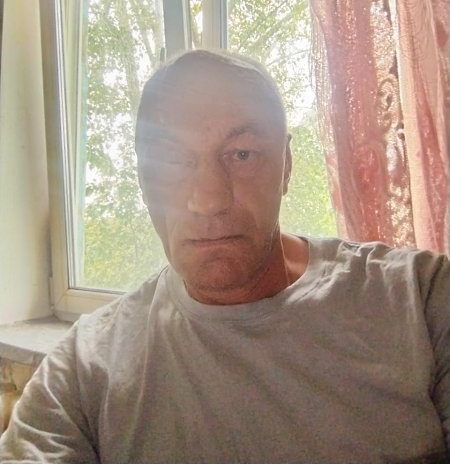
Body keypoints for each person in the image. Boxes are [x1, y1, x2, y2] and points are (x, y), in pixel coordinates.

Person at [0, 49, 449, 464]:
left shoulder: (422, 300)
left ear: (287, 166)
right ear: (142, 179)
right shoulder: (82, 369)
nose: (209, 200)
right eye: (171, 160)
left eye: (242, 154)